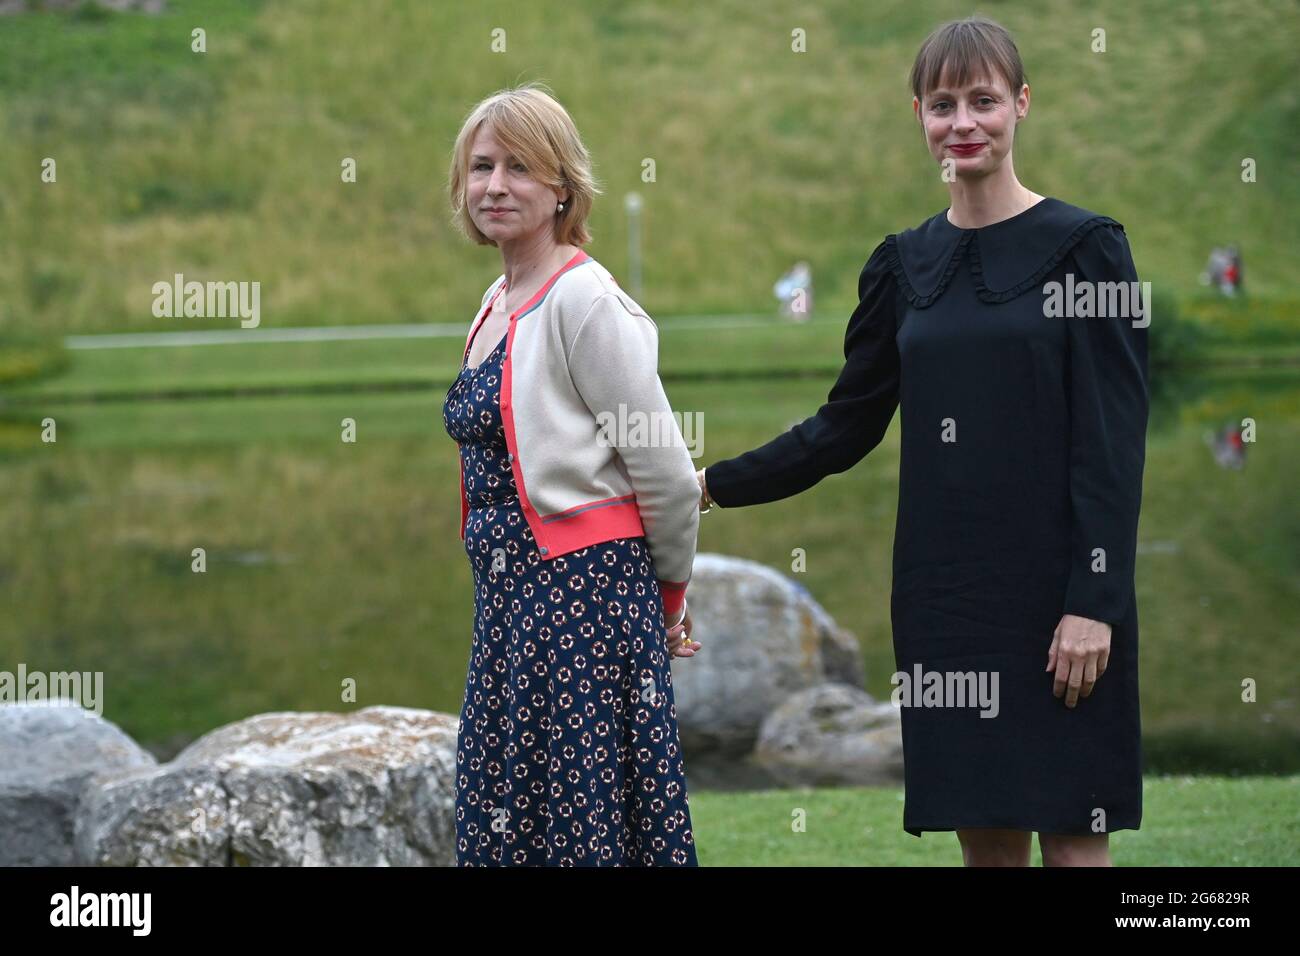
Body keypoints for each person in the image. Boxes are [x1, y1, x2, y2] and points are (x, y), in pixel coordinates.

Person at [694, 16, 1148, 867]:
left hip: (1063, 598)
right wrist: (711, 484)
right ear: (919, 115)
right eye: (944, 104)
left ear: (1021, 105)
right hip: (947, 599)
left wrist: (1095, 603)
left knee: (1076, 839)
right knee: (985, 845)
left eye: (984, 100)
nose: (964, 122)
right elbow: (842, 427)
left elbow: (1112, 445)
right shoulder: (901, 268)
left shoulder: (1089, 251)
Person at [442, 83, 702, 866]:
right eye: (481, 166)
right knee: (514, 818)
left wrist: (669, 596)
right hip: (512, 606)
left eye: (520, 167)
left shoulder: (583, 299)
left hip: (584, 605)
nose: (495, 185)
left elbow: (667, 473)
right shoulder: (498, 298)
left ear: (562, 187)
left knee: (586, 827)